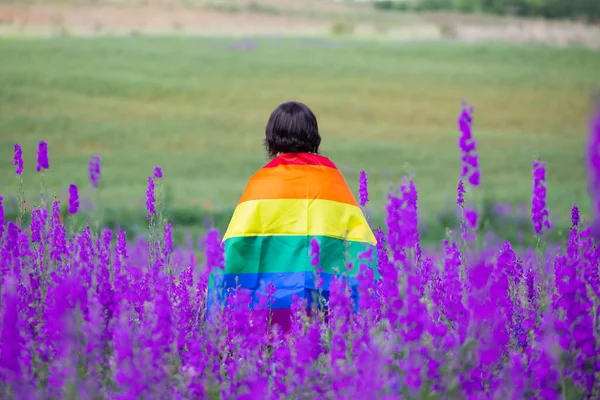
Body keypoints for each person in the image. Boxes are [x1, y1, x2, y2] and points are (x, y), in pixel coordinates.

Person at [207, 101, 377, 332]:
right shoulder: (332, 182)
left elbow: (237, 246)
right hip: (324, 309)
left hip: (269, 312)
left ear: (272, 137)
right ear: (313, 135)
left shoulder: (261, 184)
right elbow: (360, 247)